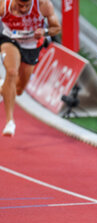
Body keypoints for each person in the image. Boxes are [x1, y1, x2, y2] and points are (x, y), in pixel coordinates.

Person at [0, 0, 61, 137]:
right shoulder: (4, 5)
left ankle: (2, 87)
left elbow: (56, 28)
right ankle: (10, 121)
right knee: (11, 72)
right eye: (20, 5)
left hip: (32, 45)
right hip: (10, 39)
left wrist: (45, 31)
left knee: (19, 89)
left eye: (27, 6)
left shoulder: (43, 5)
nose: (23, 9)